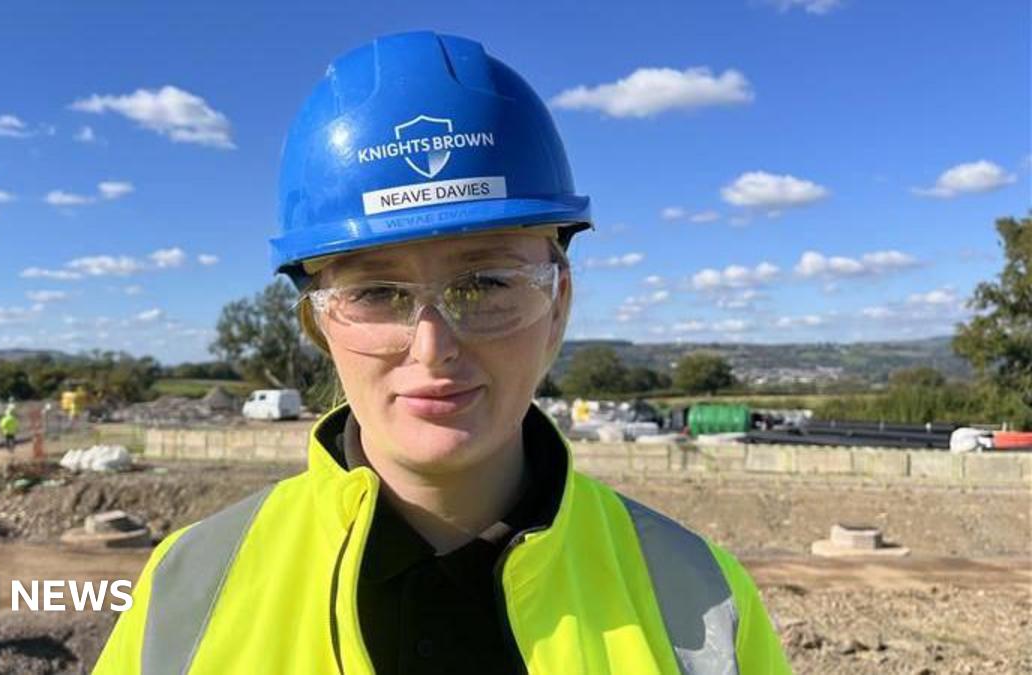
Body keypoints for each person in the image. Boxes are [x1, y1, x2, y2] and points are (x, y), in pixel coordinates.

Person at [94, 31, 791, 674]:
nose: (433, 347)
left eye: (486, 283)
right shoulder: (184, 596)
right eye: (376, 293)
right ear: (318, 325)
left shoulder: (698, 604)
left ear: (559, 305)